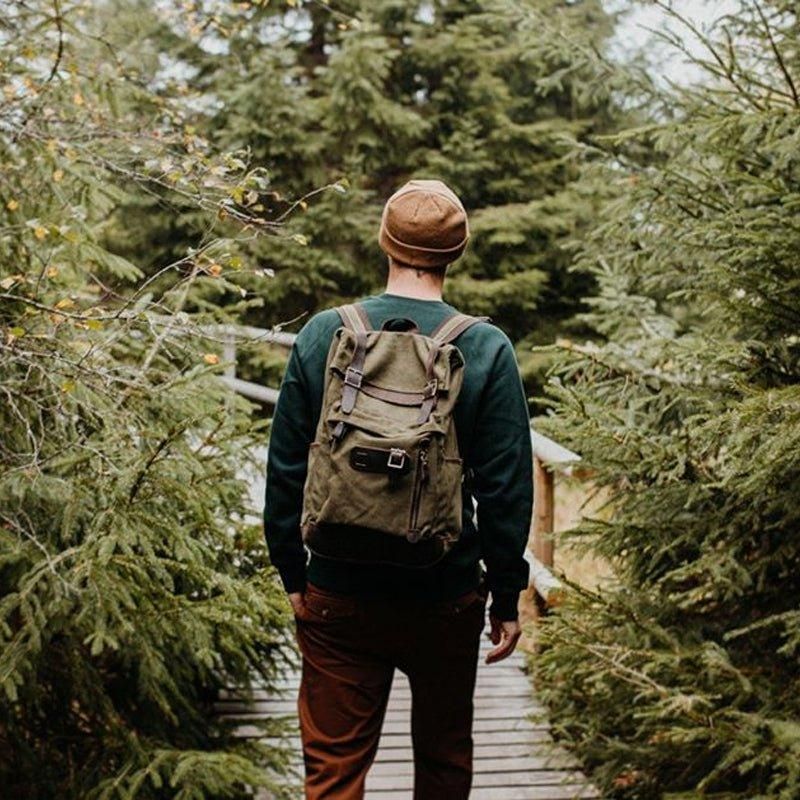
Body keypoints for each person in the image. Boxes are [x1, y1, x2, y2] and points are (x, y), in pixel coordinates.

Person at [264, 178, 533, 800]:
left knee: (333, 771)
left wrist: (294, 578)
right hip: (445, 594)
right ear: (454, 253)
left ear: (385, 243)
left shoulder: (324, 334)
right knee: (443, 764)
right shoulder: (486, 347)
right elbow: (506, 490)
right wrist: (508, 599)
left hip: (336, 589)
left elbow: (284, 471)